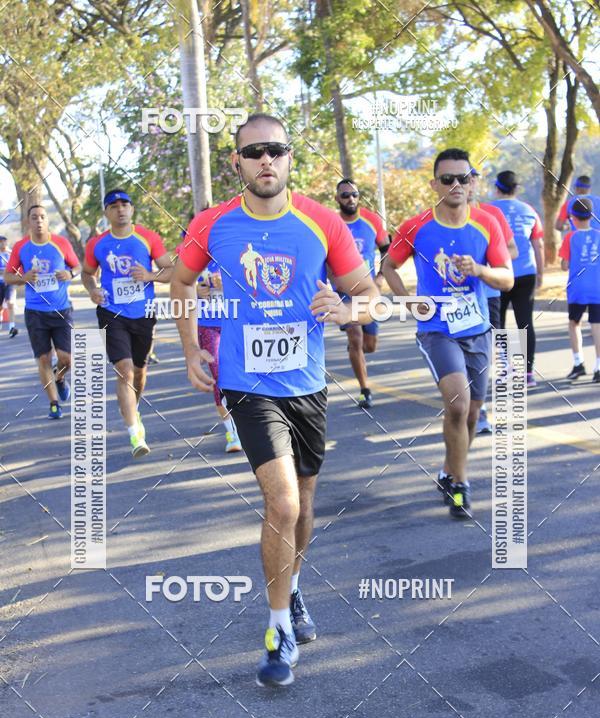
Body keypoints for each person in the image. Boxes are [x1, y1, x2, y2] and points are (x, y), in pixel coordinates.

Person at [172, 112, 378, 687]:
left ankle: (294, 585)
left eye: (276, 150)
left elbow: (369, 292)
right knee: (283, 503)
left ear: (289, 158)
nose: (266, 159)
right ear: (236, 162)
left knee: (304, 504)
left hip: (307, 385)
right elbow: (181, 282)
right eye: (253, 151)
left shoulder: (321, 222)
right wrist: (191, 349)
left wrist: (348, 309)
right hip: (247, 384)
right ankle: (279, 629)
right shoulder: (213, 224)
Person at [382, 148, 513, 519]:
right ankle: (460, 485)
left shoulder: (487, 223)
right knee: (457, 404)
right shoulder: (416, 226)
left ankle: (447, 471)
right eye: (447, 178)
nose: (456, 184)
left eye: (463, 178)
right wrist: (409, 301)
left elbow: (507, 279)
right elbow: (389, 266)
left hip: (476, 328)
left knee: (471, 415)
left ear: (472, 182)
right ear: (434, 184)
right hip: (437, 330)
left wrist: (480, 271)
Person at [81, 189, 173, 458]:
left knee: (139, 371)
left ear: (132, 209)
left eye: (125, 204)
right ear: (106, 212)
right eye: (114, 206)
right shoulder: (97, 243)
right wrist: (92, 290)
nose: (120, 209)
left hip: (143, 313)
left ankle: (133, 408)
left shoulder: (148, 237)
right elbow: (87, 273)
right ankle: (135, 434)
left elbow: (170, 271)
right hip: (111, 312)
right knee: (124, 370)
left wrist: (150, 275)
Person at [4, 206, 80, 418]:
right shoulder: (21, 247)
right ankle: (54, 404)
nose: (38, 220)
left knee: (67, 359)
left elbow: (77, 266)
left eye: (42, 217)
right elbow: (8, 276)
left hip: (61, 310)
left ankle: (59, 378)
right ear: (28, 221)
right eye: (34, 217)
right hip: (35, 312)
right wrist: (23, 278)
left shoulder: (61, 243)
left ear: (47, 221)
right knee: (44, 359)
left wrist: (70, 273)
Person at [468, 169, 518, 434]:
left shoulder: (491, 214)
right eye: (457, 178)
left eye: (470, 178)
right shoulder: (438, 218)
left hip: (487, 294)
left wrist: (485, 265)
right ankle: (467, 404)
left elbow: (512, 250)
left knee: (484, 353)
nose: (465, 184)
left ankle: (482, 410)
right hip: (455, 299)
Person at [334, 179, 390, 408]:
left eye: (354, 195)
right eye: (345, 195)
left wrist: (381, 276)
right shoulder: (333, 223)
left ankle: (355, 350)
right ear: (337, 198)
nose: (351, 199)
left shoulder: (371, 220)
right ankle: (365, 390)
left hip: (368, 290)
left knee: (370, 345)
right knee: (356, 338)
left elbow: (387, 249)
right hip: (343, 290)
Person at [490, 170, 544, 387]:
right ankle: (527, 373)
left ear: (497, 188)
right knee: (525, 322)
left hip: (499, 273)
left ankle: (503, 370)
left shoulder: (488, 211)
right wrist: (540, 273)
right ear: (516, 189)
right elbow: (538, 245)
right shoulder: (529, 210)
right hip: (526, 273)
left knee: (498, 324)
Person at [196, 260, 242, 452]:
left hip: (236, 321)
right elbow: (180, 285)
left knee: (242, 372)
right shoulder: (192, 252)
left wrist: (229, 286)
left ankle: (249, 421)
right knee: (219, 374)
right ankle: (232, 432)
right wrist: (195, 290)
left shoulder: (234, 251)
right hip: (207, 324)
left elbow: (254, 286)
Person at [558, 198, 600, 382]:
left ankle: (578, 363)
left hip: (577, 289)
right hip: (597, 288)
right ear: (591, 216)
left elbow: (564, 265)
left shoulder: (570, 237)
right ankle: (598, 366)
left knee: (574, 324)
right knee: (597, 325)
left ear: (572, 217)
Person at [0, 236, 18, 337]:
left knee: (10, 303)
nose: (3, 244)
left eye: (4, 242)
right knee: (0, 307)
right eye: (1, 242)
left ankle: (12, 327)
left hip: (10, 282)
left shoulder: (11, 254)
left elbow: (17, 267)